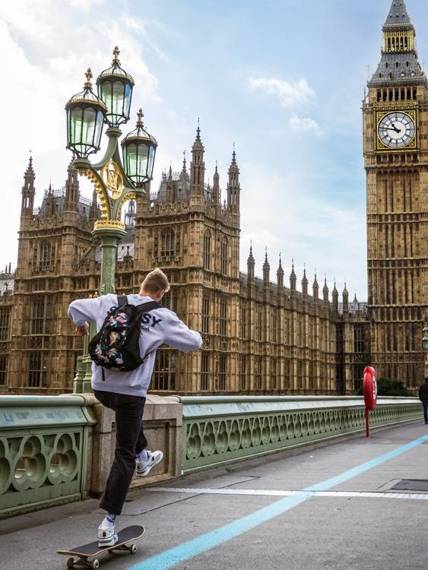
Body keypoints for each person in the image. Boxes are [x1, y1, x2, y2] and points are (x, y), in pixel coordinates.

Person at [68, 268, 202, 546]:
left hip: (101, 388)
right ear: (162, 292)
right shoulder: (162, 316)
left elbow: (74, 306)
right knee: (123, 454)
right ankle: (109, 522)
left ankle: (144, 455)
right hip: (131, 393)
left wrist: (80, 325)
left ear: (141, 285)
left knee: (130, 428)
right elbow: (193, 343)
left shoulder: (110, 302)